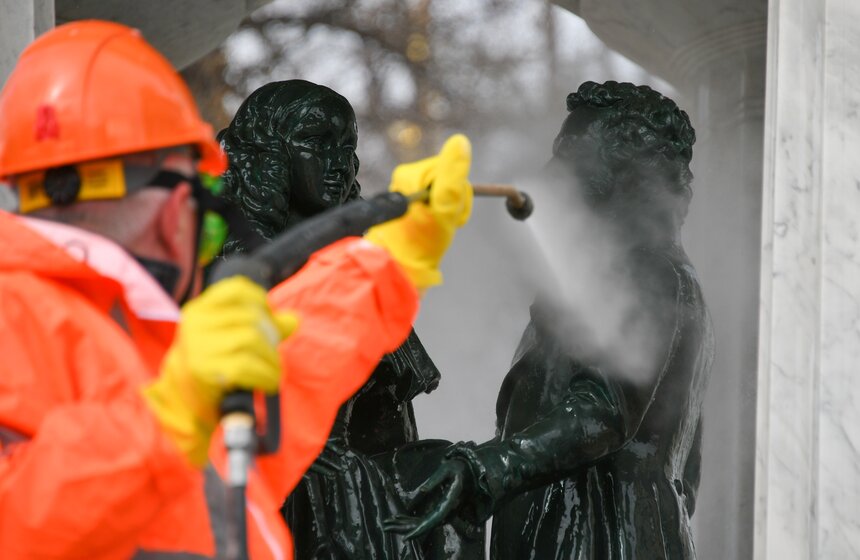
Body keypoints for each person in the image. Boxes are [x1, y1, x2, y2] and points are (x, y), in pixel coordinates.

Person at [0, 20, 472, 559]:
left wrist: (383, 266)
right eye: (196, 181)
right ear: (144, 183)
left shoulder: (128, 320)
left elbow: (289, 389)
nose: (209, 208)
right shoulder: (18, 320)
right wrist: (168, 419)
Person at [387, 81, 714, 559]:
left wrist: (483, 469)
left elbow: (602, 409)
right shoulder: (632, 276)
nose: (551, 171)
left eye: (571, 152)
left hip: (597, 536)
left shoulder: (648, 272)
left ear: (625, 163)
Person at [218, 80, 480, 559]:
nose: (340, 161)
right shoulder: (238, 263)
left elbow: (391, 422)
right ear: (269, 152)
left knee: (449, 475)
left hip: (361, 488)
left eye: (348, 147)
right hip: (290, 493)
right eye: (317, 142)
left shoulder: (352, 256)